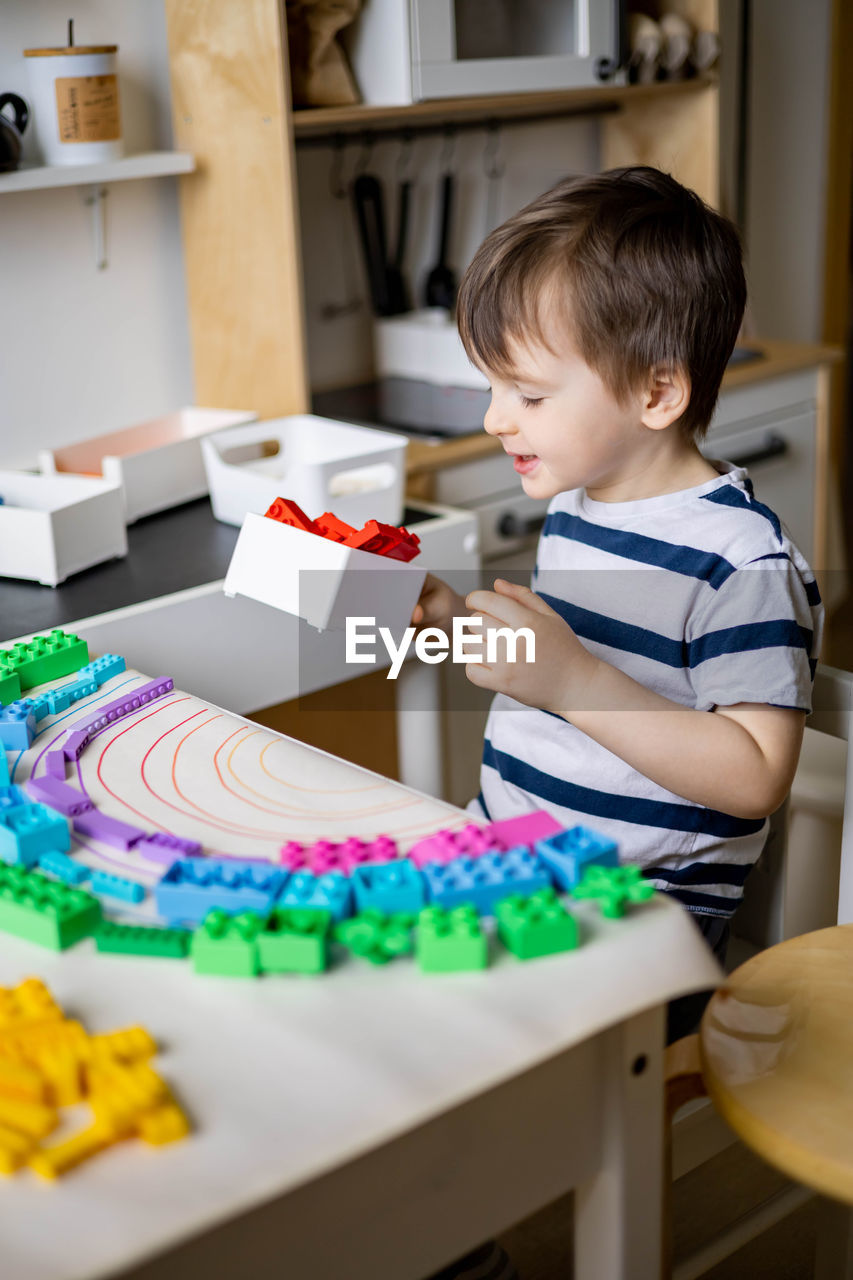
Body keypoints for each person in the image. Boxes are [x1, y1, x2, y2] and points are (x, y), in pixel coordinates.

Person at [416, 164, 822, 1280]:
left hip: (636, 924)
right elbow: (551, 687)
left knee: (420, 1067)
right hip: (501, 861)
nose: (497, 418)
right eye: (492, 385)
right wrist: (446, 621)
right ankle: (423, 1229)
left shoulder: (740, 560)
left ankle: (440, 1240)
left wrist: (565, 676)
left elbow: (751, 775)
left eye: (529, 393)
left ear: (654, 392)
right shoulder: (579, 512)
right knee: (354, 1011)